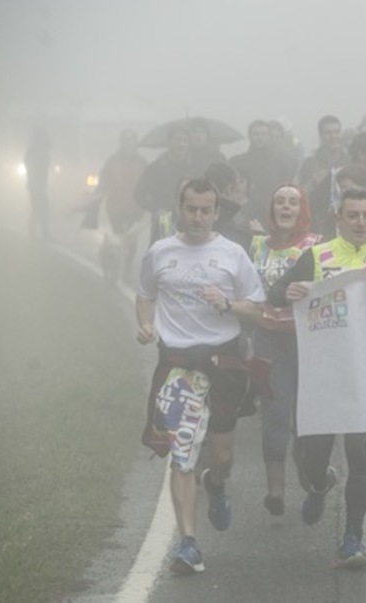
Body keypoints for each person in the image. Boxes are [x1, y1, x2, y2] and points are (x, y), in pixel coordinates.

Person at [268, 186, 366, 569]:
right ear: (338, 219)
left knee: (361, 458)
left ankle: (353, 538)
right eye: (352, 215)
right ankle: (320, 483)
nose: (360, 223)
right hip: (323, 377)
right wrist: (289, 290)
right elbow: (274, 293)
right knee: (311, 460)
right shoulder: (317, 256)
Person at [136, 178, 265, 575]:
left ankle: (217, 482)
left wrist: (227, 303)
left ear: (216, 213)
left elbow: (257, 307)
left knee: (222, 455)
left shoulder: (232, 253)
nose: (197, 217)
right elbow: (145, 294)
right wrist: (145, 324)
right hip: (177, 364)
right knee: (181, 454)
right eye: (191, 209)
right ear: (181, 209)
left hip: (222, 363)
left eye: (205, 210)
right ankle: (189, 544)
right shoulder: (160, 252)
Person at [249, 184, 321, 516]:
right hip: (269, 338)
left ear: (303, 209)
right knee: (275, 411)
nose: (286, 207)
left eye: (294, 202)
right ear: (272, 209)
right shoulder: (256, 246)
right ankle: (275, 491)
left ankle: (311, 476)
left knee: (306, 419)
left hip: (309, 340)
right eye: (280, 201)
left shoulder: (317, 246)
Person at [94, 129, 147, 283]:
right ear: (121, 142)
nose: (128, 142)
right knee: (117, 239)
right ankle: (113, 271)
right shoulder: (113, 160)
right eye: (126, 139)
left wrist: (149, 199)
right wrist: (99, 194)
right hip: (116, 206)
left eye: (131, 139)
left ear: (135, 142)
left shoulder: (142, 161)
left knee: (131, 241)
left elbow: (149, 180)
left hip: (135, 207)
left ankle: (127, 268)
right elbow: (103, 178)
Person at [134, 124, 195, 243]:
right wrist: (156, 209)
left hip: (188, 217)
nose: (181, 144)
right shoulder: (156, 167)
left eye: (185, 140)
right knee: (163, 249)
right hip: (165, 217)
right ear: (169, 142)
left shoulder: (193, 167)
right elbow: (138, 194)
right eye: (178, 140)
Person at [230, 120, 297, 225]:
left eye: (264, 134)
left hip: (271, 213)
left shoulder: (282, 163)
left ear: (269, 136)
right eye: (256, 134)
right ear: (250, 136)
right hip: (244, 212)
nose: (260, 137)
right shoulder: (238, 162)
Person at [297, 115, 348, 197]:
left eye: (337, 132)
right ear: (321, 136)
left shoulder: (350, 161)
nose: (333, 136)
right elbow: (297, 193)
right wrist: (313, 183)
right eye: (328, 133)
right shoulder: (309, 164)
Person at [24, 126, 52, 240]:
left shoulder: (38, 149)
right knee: (41, 207)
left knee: (40, 207)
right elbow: (32, 166)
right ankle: (39, 233)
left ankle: (35, 233)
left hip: (38, 183)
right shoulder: (35, 150)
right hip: (36, 183)